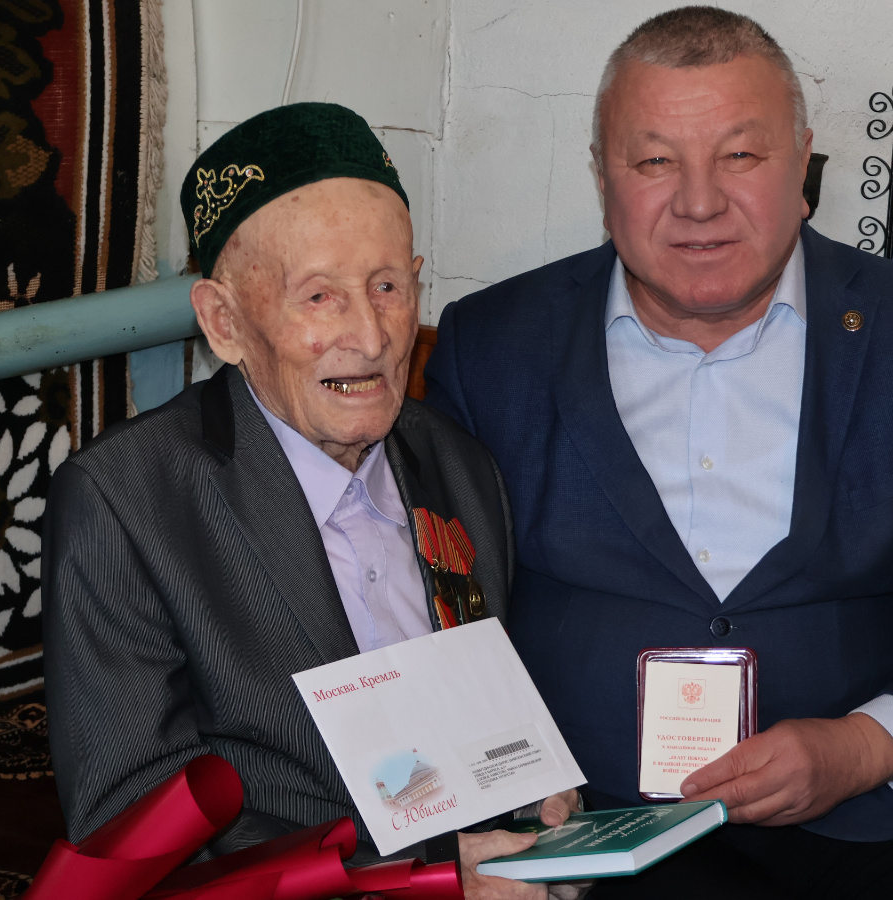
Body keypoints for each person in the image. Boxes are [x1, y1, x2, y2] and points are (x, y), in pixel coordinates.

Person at [423, 8, 893, 898]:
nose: (699, 203)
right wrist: (499, 804)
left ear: (802, 166)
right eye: (654, 162)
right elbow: (428, 619)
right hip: (595, 822)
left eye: (740, 155)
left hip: (868, 812)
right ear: (603, 176)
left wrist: (862, 747)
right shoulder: (493, 347)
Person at [42, 102, 576, 900]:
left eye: (388, 286)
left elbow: (488, 713)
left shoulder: (458, 465)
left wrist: (538, 799)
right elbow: (134, 833)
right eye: (320, 297)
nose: (371, 336)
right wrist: (420, 883)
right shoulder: (127, 503)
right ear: (225, 322)